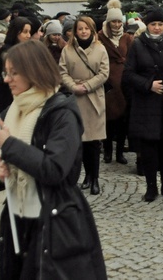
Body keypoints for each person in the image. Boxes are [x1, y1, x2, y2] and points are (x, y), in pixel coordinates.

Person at [0, 40, 106, 279]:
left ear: (34, 71)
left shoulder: (62, 113)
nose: (6, 79)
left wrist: (9, 145)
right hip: (18, 219)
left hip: (56, 223)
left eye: (14, 73)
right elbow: (5, 163)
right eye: (6, 72)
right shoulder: (11, 112)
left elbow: (55, 169)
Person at [123, 7, 163, 201]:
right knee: (148, 148)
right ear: (147, 26)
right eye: (153, 24)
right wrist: (148, 84)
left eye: (159, 24)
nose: (157, 28)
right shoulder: (138, 45)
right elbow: (128, 74)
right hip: (146, 102)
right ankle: (151, 187)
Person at [59, 16, 109, 195]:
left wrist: (87, 86)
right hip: (75, 98)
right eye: (80, 29)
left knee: (93, 142)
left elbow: (104, 73)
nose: (83, 32)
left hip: (94, 97)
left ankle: (95, 178)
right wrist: (73, 86)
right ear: (75, 31)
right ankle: (86, 176)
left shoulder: (100, 49)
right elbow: (62, 71)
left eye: (87, 28)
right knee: (79, 140)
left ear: (92, 30)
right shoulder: (68, 50)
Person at [97, 0, 134, 165]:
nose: (117, 24)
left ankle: (120, 152)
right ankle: (108, 151)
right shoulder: (100, 37)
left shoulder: (127, 38)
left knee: (122, 120)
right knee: (108, 119)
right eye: (114, 21)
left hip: (124, 83)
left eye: (119, 21)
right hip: (108, 82)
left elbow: (133, 58)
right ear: (108, 22)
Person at [0, 17, 33, 112]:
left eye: (29, 32)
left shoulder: (25, 49)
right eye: (25, 32)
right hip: (9, 98)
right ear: (16, 32)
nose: (28, 35)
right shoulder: (7, 52)